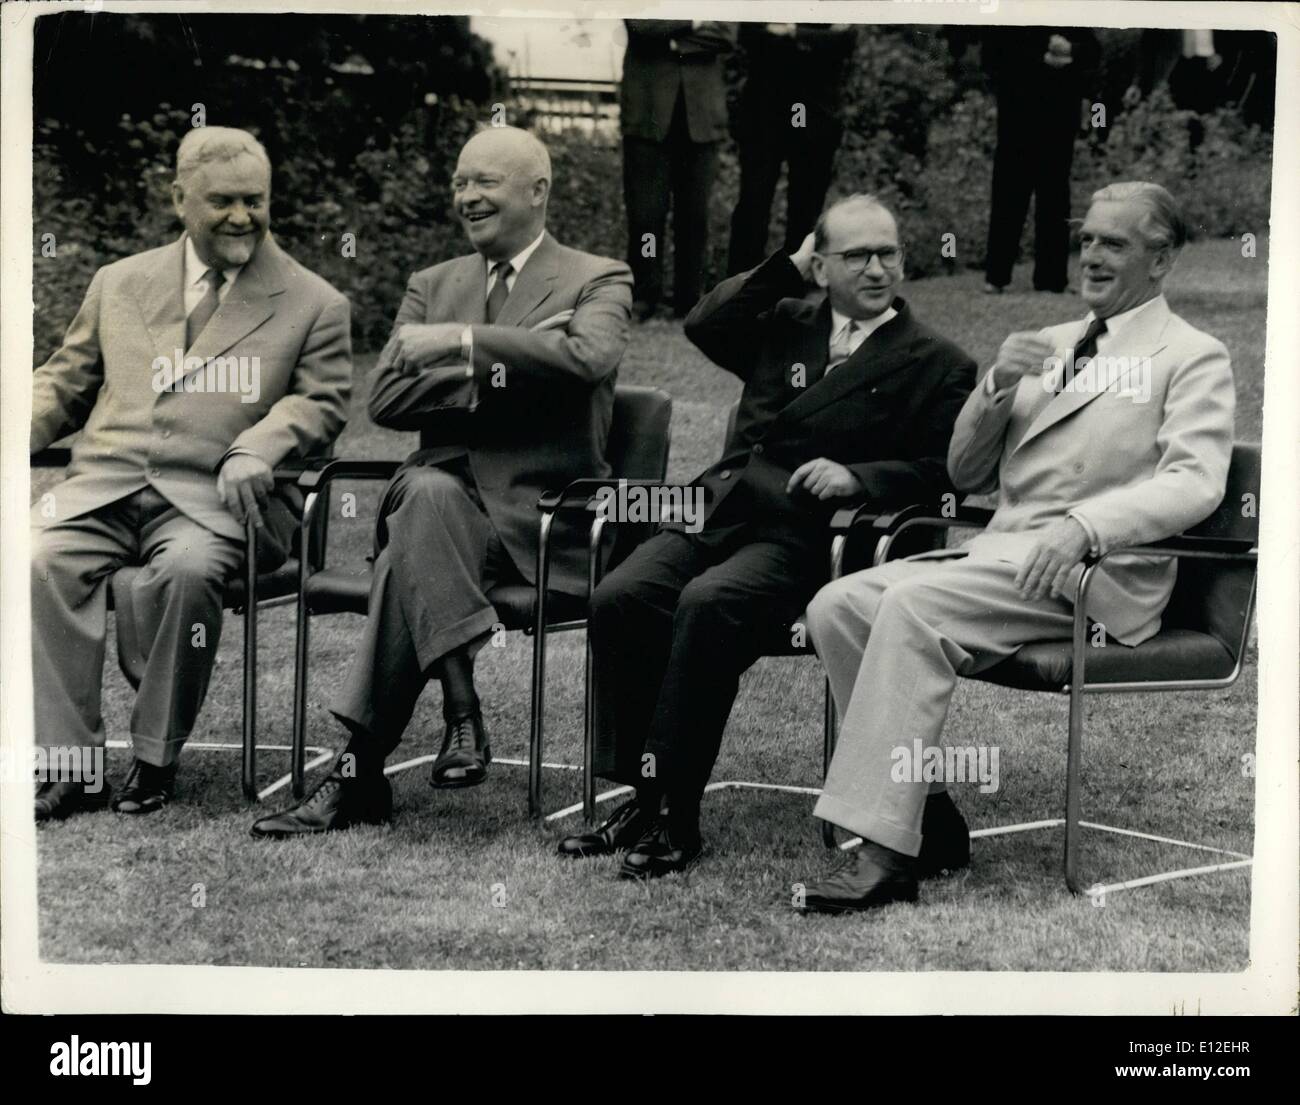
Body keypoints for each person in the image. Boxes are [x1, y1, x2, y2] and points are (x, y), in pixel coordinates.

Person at [796, 182, 1235, 913]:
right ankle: (927, 815)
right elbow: (966, 473)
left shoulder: (1191, 355)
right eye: (1087, 238)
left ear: (1161, 261)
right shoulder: (1051, 344)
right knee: (837, 604)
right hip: (1006, 558)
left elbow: (1196, 483)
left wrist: (1087, 526)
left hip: (1095, 576)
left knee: (908, 605)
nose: (1091, 255)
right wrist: (998, 384)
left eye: (1114, 244)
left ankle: (883, 853)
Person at [557, 194, 976, 879]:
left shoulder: (937, 360)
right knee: (622, 594)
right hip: (719, 507)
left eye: (889, 253)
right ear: (823, 263)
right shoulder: (785, 319)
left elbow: (945, 471)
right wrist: (786, 268)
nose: (877, 268)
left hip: (807, 534)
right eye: (857, 255)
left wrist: (860, 476)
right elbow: (705, 322)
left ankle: (676, 814)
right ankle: (645, 789)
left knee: (707, 603)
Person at [251, 127, 633, 839]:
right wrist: (508, 367)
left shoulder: (598, 275)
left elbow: (588, 355)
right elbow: (387, 402)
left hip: (539, 518)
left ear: (537, 190)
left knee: (409, 545)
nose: (467, 196)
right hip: (443, 499)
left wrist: (459, 347)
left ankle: (360, 770)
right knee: (428, 497)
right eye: (460, 182)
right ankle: (461, 709)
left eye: (484, 181)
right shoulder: (434, 283)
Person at [30, 126, 352, 821]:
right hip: (106, 488)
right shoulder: (118, 282)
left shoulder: (313, 302)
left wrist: (256, 446)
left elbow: (320, 403)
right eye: (223, 201)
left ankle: (154, 758)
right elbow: (62, 384)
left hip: (216, 501)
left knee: (187, 570)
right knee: (36, 554)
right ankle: (72, 765)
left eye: (255, 201)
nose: (242, 217)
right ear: (179, 199)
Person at [620, 19, 737, 320]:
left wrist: (674, 42)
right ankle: (645, 294)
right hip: (648, 114)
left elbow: (726, 34)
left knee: (694, 216)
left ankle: (688, 298)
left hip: (700, 117)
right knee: (646, 216)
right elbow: (641, 26)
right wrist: (695, 22)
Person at [726, 20, 858, 275]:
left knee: (806, 209)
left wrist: (790, 32)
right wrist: (816, 36)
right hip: (764, 110)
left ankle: (794, 281)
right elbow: (750, 34)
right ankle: (742, 286)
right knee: (754, 201)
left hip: (816, 111)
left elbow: (846, 39)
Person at [982, 27, 1099, 295]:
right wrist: (1041, 57)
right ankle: (997, 275)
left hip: (1060, 112)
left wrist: (1071, 52)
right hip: (1018, 109)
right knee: (1009, 192)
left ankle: (1052, 277)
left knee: (1055, 195)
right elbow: (993, 55)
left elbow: (1093, 51)